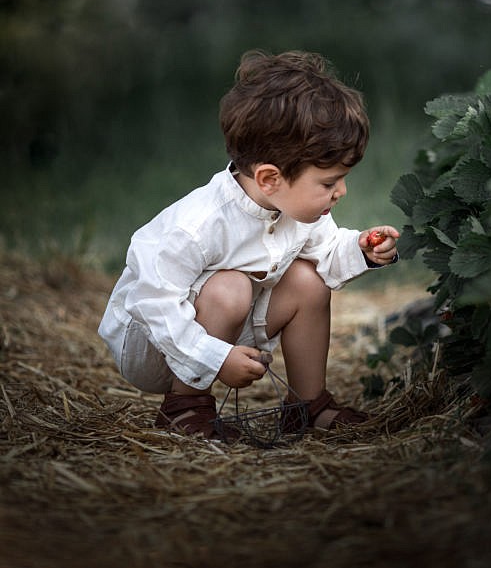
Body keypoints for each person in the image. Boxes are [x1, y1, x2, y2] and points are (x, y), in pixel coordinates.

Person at [98, 50, 399, 438]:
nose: (341, 191)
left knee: (309, 281)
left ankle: (307, 406)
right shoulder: (197, 224)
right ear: (270, 178)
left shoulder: (292, 206)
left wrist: (361, 250)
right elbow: (151, 301)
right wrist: (214, 357)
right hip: (156, 343)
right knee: (231, 287)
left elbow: (326, 253)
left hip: (223, 328)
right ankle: (184, 407)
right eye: (329, 182)